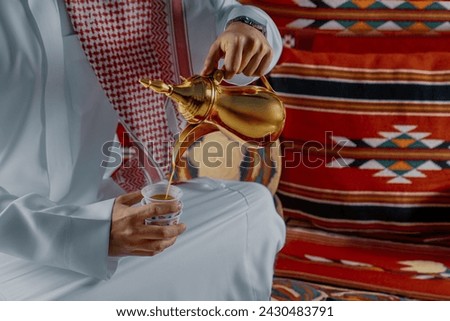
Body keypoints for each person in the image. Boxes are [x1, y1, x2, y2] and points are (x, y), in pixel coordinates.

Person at [0, 0, 285, 300]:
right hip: (15, 244)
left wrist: (244, 29)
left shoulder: (104, 6)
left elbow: (221, 15)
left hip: (101, 218)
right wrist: (93, 234)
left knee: (250, 210)